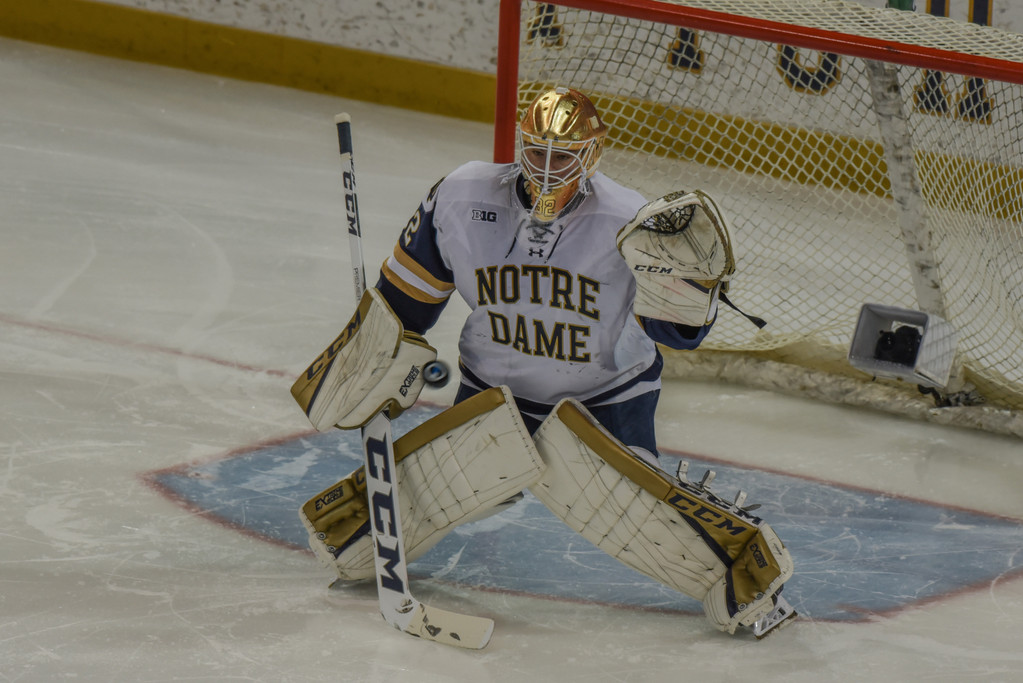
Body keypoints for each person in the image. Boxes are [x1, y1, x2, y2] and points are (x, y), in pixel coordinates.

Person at [372, 86, 716, 460]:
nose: (547, 167)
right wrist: (373, 355)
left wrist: (697, 287)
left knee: (624, 514)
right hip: (491, 390)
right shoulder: (463, 195)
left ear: (591, 152)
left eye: (564, 156)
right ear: (522, 144)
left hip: (607, 398)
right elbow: (403, 302)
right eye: (538, 151)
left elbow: (680, 334)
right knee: (427, 502)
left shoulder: (630, 222)